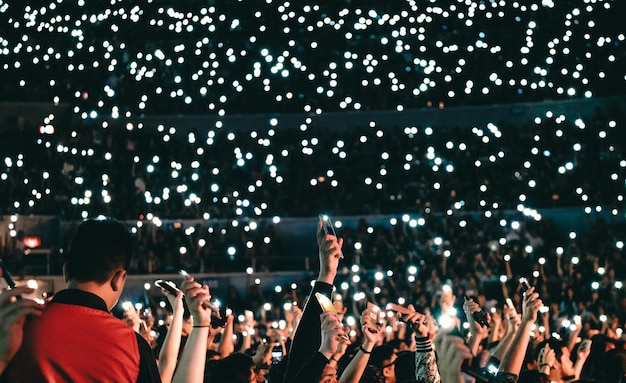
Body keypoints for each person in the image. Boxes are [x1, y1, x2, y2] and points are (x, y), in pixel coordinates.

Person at [0, 218, 211, 383]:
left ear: (66, 271)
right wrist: (200, 324)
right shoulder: (133, 347)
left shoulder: (16, 330)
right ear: (119, 278)